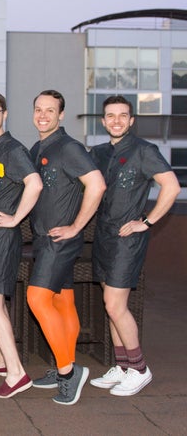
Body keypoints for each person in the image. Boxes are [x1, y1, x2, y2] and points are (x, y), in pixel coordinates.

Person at [89, 95, 179, 396]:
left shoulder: (144, 151)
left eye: (122, 115)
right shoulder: (98, 153)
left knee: (115, 305)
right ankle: (123, 365)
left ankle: (140, 369)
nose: (116, 120)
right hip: (103, 237)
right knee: (111, 306)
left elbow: (172, 185)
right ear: (103, 121)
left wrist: (148, 222)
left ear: (131, 120)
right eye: (110, 115)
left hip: (127, 240)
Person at [26, 90, 106, 405]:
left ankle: (68, 371)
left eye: (50, 110)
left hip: (59, 240)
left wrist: (77, 226)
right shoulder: (39, 147)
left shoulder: (69, 147)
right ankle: (64, 369)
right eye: (38, 109)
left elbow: (97, 184)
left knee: (37, 297)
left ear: (61, 115)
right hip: (45, 239)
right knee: (62, 303)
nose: (43, 115)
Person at [0, 90, 42, 398]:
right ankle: (3, 361)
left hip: (3, 238)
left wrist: (15, 218)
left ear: (5, 114)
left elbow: (35, 183)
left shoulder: (12, 149)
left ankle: (17, 374)